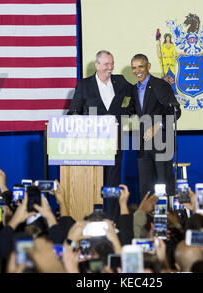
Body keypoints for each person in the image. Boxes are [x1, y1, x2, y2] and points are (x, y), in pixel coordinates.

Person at [67, 50, 133, 224]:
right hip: (93, 145)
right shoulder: (84, 85)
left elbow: (135, 98)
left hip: (116, 143)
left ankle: (112, 221)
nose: (110, 67)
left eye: (112, 63)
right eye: (106, 64)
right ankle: (92, 220)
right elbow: (74, 110)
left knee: (112, 184)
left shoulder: (121, 82)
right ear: (97, 65)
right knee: (94, 184)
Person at [129, 54, 181, 198]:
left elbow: (176, 112)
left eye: (140, 66)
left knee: (166, 186)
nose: (137, 70)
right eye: (134, 68)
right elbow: (130, 111)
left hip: (162, 143)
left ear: (148, 66)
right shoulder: (134, 89)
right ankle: (146, 220)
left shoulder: (160, 85)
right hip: (143, 144)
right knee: (145, 189)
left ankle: (171, 219)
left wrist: (157, 125)